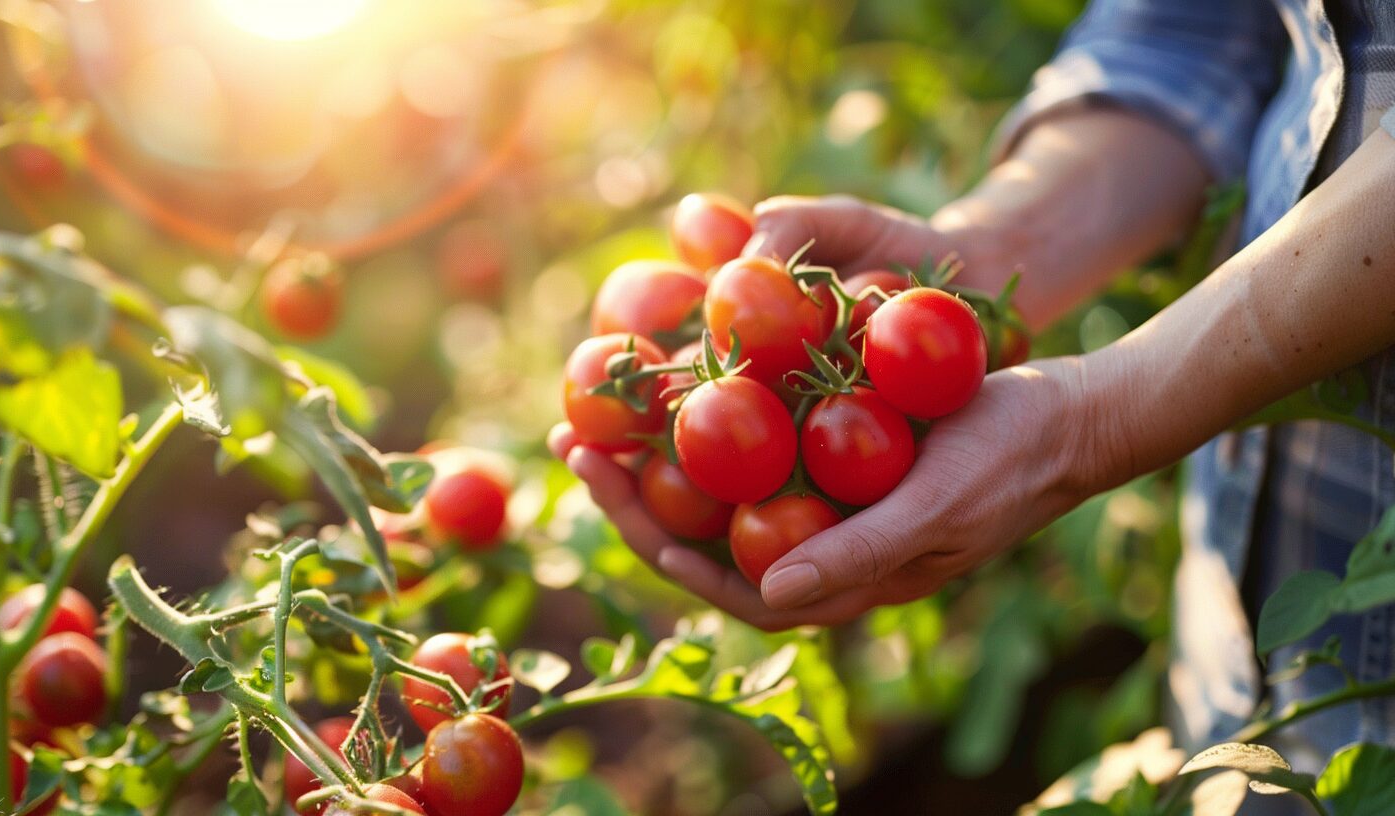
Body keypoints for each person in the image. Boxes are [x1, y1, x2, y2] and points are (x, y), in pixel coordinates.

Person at [552, 1, 1395, 806]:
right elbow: (1189, 26)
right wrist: (1001, 242)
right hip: (1240, 644)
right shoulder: (798, 365)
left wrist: (1101, 419)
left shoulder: (796, 372)